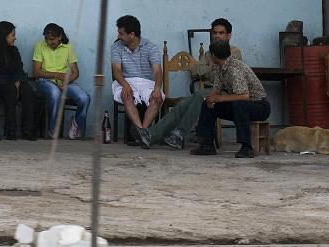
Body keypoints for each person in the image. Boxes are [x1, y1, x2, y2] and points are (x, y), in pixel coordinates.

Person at [145, 17, 243, 149]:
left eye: (221, 33)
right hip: (208, 89)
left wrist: (209, 71)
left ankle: (179, 134)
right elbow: (195, 70)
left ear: (229, 35)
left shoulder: (234, 52)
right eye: (215, 33)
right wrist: (210, 68)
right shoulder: (209, 53)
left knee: (199, 96)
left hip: (225, 92)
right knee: (182, 105)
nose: (217, 36)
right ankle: (152, 135)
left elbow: (224, 75)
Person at [190, 39, 270, 158]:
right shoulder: (219, 67)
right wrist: (212, 99)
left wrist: (220, 99)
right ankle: (206, 145)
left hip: (259, 106)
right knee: (207, 102)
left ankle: (246, 147)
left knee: (239, 104)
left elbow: (244, 96)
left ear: (213, 55)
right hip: (240, 105)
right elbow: (216, 89)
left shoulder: (235, 69)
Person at [110, 15, 163, 149]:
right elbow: (116, 70)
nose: (119, 36)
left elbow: (157, 72)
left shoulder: (151, 48)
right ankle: (144, 133)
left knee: (156, 98)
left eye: (121, 33)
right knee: (126, 95)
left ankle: (142, 132)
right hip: (125, 80)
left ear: (132, 34)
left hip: (147, 82)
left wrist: (157, 88)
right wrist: (125, 85)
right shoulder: (116, 47)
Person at [32, 23, 91, 139]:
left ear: (60, 37)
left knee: (85, 98)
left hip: (64, 82)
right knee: (55, 93)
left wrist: (67, 82)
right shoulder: (40, 46)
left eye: (52, 39)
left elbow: (75, 73)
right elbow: (36, 72)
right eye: (46, 39)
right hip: (45, 81)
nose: (49, 42)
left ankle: (76, 124)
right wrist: (57, 75)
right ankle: (53, 129)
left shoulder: (68, 48)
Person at [0, 21, 36, 141]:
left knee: (27, 89)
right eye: (12, 35)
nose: (15, 38)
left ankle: (28, 130)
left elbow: (19, 70)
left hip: (13, 83)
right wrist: (12, 83)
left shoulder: (13, 51)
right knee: (10, 89)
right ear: (3, 36)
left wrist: (18, 81)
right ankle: (10, 129)